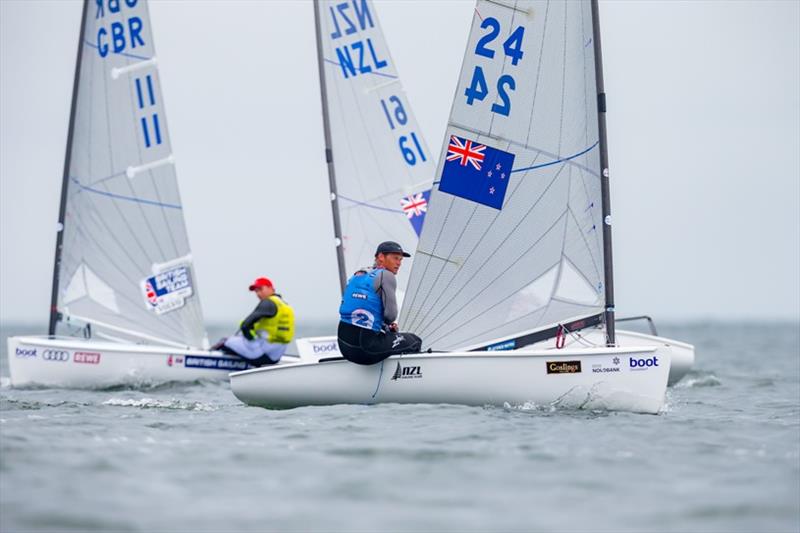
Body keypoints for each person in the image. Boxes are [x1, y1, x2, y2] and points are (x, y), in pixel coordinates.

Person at [337, 241, 422, 365]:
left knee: (386, 335)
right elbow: (390, 316)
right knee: (414, 341)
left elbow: (360, 309)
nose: (398, 263)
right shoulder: (386, 276)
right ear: (381, 257)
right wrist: (388, 326)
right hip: (365, 349)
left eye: (400, 260)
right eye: (395, 258)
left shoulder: (358, 275)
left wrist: (385, 327)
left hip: (344, 346)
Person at [215, 277, 295, 366]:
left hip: (261, 355)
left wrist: (250, 339)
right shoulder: (284, 304)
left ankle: (213, 358)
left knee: (225, 341)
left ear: (271, 289)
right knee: (244, 340)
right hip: (275, 356)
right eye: (256, 291)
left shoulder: (267, 302)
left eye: (261, 289)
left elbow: (245, 326)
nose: (258, 293)